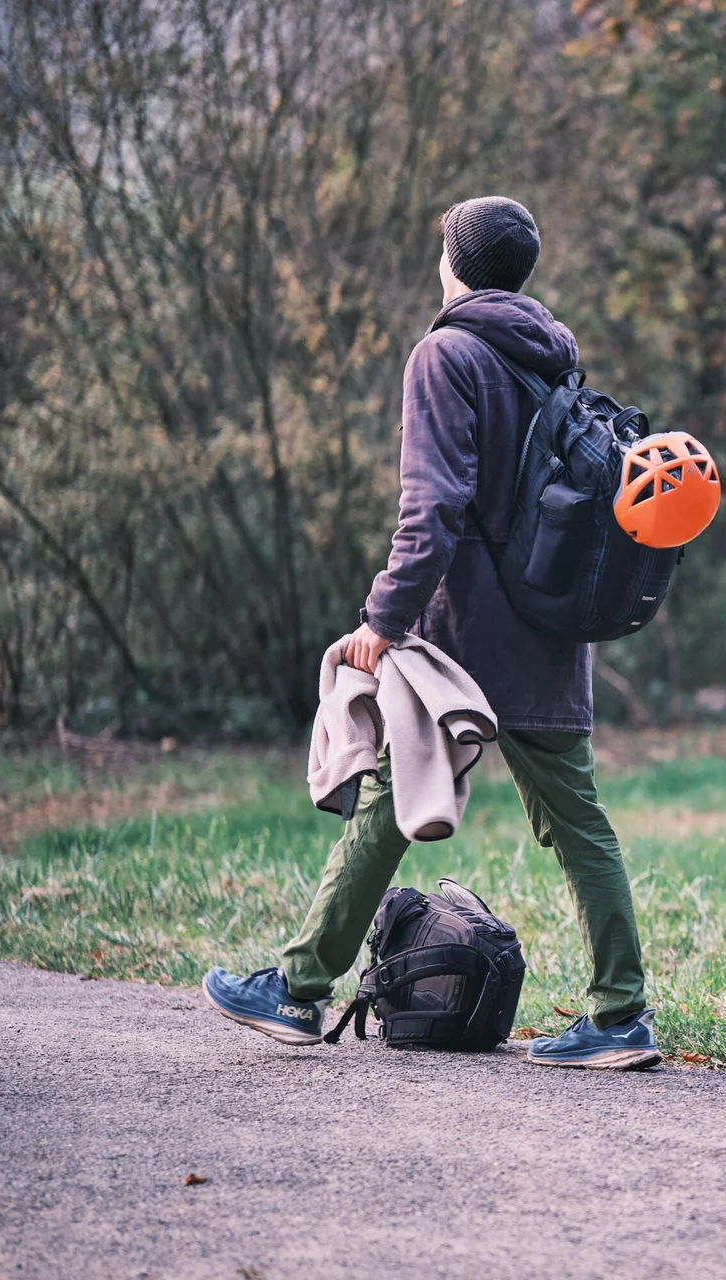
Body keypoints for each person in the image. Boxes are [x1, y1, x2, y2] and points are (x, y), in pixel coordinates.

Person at [203, 197, 661, 1070]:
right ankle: (620, 1013)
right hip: (551, 627)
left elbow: (433, 507)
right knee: (577, 821)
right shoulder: (553, 358)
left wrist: (384, 619)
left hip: (464, 637)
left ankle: (298, 992)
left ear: (456, 264)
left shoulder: (445, 352)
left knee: (387, 796)